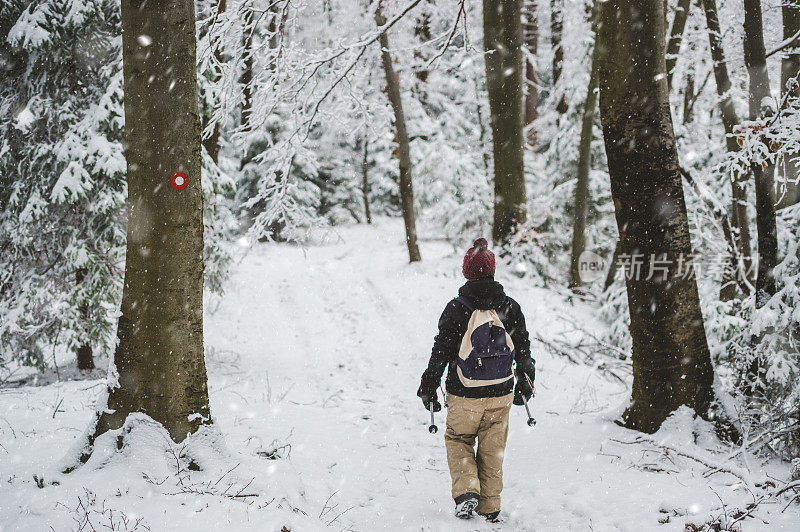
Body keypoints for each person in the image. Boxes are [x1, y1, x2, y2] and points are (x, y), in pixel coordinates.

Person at [417, 238, 535, 522]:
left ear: (466, 272)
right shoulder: (510, 307)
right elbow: (523, 347)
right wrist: (526, 381)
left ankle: (468, 489)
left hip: (463, 393)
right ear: (492, 271)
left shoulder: (457, 308)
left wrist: (429, 385)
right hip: (502, 393)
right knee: (493, 450)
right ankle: (490, 505)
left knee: (458, 439)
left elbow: (441, 349)